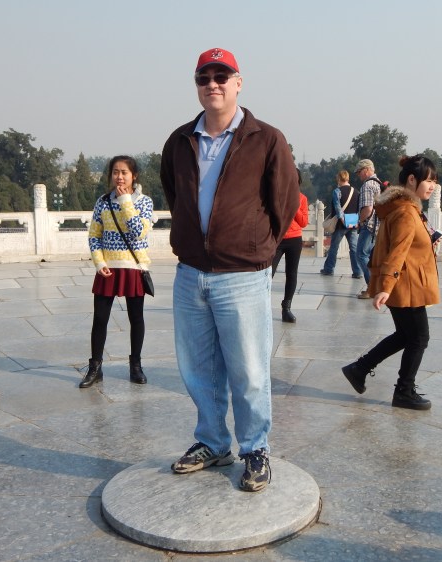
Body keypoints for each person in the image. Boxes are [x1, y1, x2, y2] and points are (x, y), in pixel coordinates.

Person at [160, 47, 299, 492]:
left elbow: (284, 202)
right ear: (197, 85)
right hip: (191, 273)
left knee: (250, 370)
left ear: (239, 82)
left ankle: (255, 448)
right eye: (205, 77)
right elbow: (174, 195)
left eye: (222, 76)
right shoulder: (180, 141)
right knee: (198, 368)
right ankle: (212, 442)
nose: (213, 84)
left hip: (242, 275)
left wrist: (255, 248)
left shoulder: (266, 138)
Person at [341, 155, 440, 410]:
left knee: (405, 336)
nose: (432, 186)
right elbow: (397, 251)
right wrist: (384, 287)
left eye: (434, 182)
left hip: (404, 282)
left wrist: (429, 242)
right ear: (411, 179)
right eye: (428, 181)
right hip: (405, 285)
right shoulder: (407, 211)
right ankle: (404, 391)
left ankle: (359, 369)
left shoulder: (404, 208)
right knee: (419, 338)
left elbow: (406, 246)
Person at [80, 156, 153, 388]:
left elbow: (138, 232)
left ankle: (136, 366)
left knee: (136, 319)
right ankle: (95, 368)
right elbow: (94, 235)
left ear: (134, 176)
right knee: (99, 319)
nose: (119, 177)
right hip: (108, 268)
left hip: (133, 267)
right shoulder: (102, 202)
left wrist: (125, 201)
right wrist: (99, 262)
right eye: (115, 172)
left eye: (124, 172)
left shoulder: (144, 202)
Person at [272, 169, 309, 323]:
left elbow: (303, 222)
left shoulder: (302, 198)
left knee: (291, 274)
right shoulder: (276, 195)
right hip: (278, 239)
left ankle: (286, 308)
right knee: (268, 273)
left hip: (294, 239)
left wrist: (294, 205)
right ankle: (260, 305)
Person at [320, 170, 361, 278]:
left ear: (339, 179)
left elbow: (338, 208)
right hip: (353, 223)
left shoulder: (337, 191)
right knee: (354, 248)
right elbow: (359, 208)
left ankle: (329, 269)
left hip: (340, 224)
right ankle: (357, 271)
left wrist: (343, 220)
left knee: (334, 247)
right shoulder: (356, 191)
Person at [354, 159, 382, 298]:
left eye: (359, 172)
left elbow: (367, 208)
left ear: (366, 170)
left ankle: (372, 287)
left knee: (361, 255)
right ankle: (375, 285)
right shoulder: (378, 183)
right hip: (378, 226)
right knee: (372, 258)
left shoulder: (367, 185)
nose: (359, 175)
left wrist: (360, 220)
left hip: (369, 226)